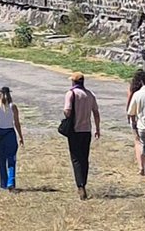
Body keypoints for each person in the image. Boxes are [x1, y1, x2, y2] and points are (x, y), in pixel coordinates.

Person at [64, 72, 101, 200]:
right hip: (86, 130)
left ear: (74, 82)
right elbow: (96, 113)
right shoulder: (90, 95)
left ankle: (80, 185)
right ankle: (83, 182)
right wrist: (97, 128)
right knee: (84, 158)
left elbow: (67, 111)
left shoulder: (71, 94)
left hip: (74, 130)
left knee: (76, 158)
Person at [0, 86, 24, 191]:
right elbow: (17, 123)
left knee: (1, 160)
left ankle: (3, 183)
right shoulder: (13, 107)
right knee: (11, 159)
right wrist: (20, 136)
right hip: (10, 133)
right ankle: (11, 181)